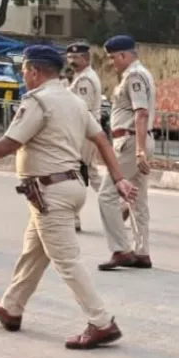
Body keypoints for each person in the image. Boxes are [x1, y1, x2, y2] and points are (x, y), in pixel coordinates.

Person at [0, 45, 136, 349]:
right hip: (66, 187)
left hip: (49, 191)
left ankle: (101, 321)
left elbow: (9, 143)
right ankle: (11, 307)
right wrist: (118, 179)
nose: (23, 76)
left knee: (66, 260)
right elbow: (101, 141)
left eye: (24, 70)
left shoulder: (38, 102)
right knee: (33, 252)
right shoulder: (74, 101)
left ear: (36, 71)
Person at [97, 35, 156, 271]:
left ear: (123, 55)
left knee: (107, 195)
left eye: (113, 58)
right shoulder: (142, 73)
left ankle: (121, 249)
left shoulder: (134, 76)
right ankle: (142, 252)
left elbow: (140, 113)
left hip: (131, 141)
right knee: (137, 198)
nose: (112, 63)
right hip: (136, 140)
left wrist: (140, 150)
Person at [64, 42, 104, 233]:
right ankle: (117, 202)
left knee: (75, 172)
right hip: (85, 131)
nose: (71, 61)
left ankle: (74, 217)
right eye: (69, 57)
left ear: (86, 59)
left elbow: (82, 109)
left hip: (83, 132)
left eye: (76, 58)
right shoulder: (79, 77)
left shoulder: (85, 80)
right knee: (91, 173)